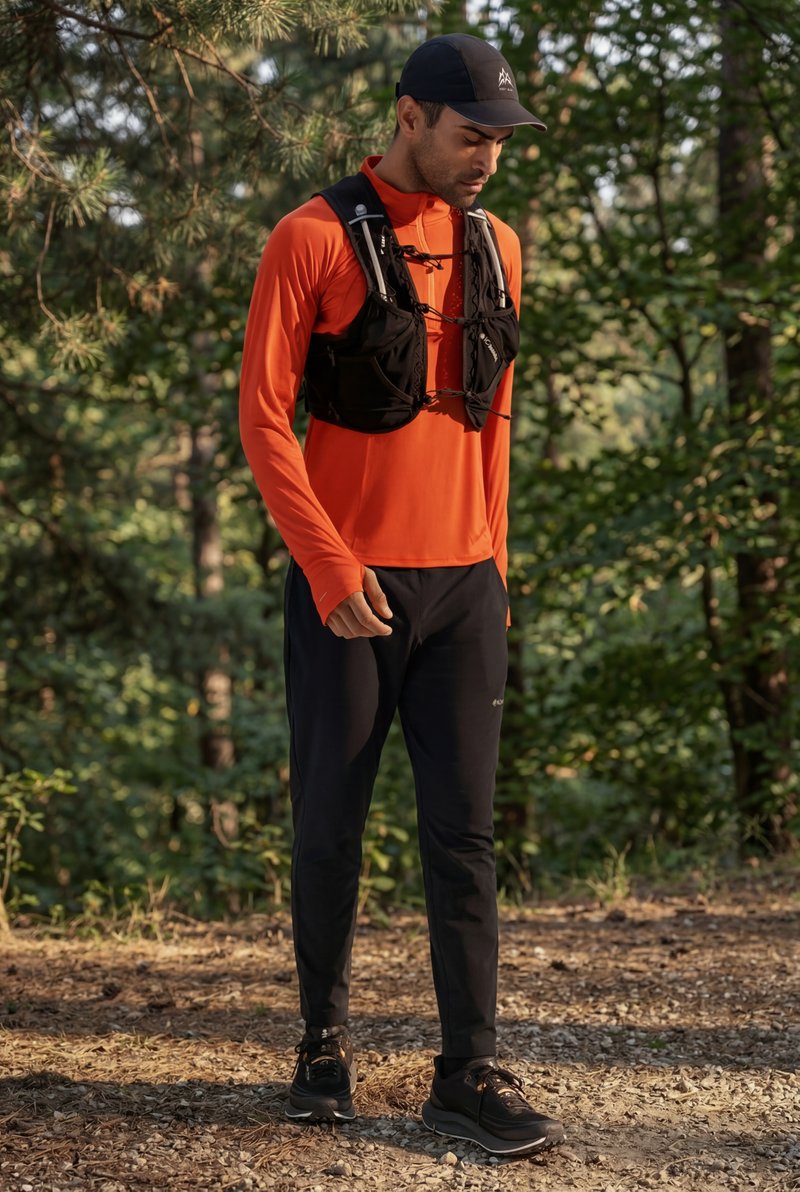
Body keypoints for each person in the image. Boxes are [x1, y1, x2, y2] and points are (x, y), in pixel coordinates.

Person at [239, 32, 565, 1157]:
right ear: (408, 115)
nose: (486, 159)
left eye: (498, 142)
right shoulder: (310, 236)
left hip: (462, 585)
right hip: (348, 586)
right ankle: (321, 1044)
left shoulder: (499, 246)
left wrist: (496, 573)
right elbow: (262, 421)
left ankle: (465, 1068)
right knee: (329, 823)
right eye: (469, 136)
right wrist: (328, 569)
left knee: (463, 836)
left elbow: (494, 421)